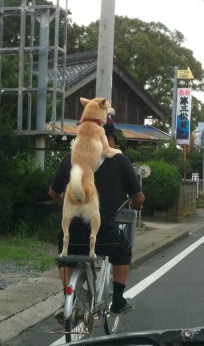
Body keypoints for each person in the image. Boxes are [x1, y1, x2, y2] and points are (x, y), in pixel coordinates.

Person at [48, 121, 145, 315]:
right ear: (107, 138)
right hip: (104, 236)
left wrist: (66, 202)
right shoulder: (118, 159)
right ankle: (117, 301)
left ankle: (69, 300)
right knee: (123, 250)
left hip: (72, 236)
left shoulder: (71, 158)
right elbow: (138, 197)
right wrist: (137, 204)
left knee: (65, 258)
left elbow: (53, 192)